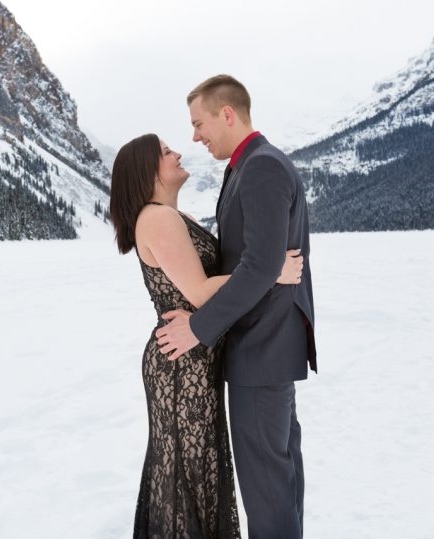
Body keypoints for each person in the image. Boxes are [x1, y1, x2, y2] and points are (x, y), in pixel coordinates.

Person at [110, 133, 304, 539]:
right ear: (148, 173)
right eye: (165, 152)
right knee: (187, 472)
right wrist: (271, 272)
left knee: (194, 469)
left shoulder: (175, 218)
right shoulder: (157, 218)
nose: (178, 152)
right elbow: (198, 292)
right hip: (182, 361)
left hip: (194, 354)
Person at [155, 75, 317, 538]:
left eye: (199, 122)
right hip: (263, 350)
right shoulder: (246, 166)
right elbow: (260, 263)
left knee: (269, 492)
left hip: (261, 351)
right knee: (278, 484)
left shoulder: (262, 166)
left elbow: (261, 264)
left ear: (228, 114)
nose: (195, 136)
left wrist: (198, 328)